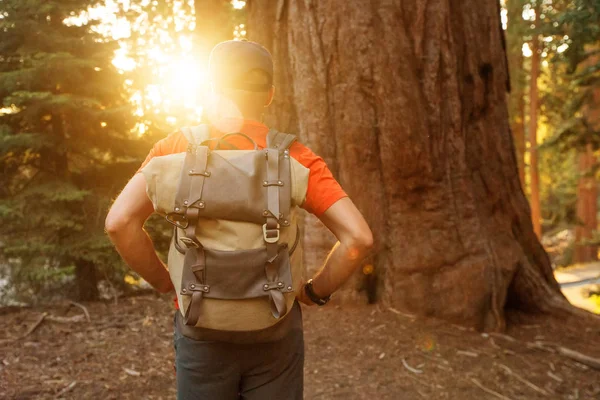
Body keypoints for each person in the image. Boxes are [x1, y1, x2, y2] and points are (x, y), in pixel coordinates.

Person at [105, 40, 373, 400]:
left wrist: (166, 282)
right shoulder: (296, 158)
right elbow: (358, 239)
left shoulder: (174, 149)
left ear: (212, 90)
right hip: (275, 327)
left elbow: (119, 223)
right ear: (269, 95)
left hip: (200, 325)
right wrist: (313, 292)